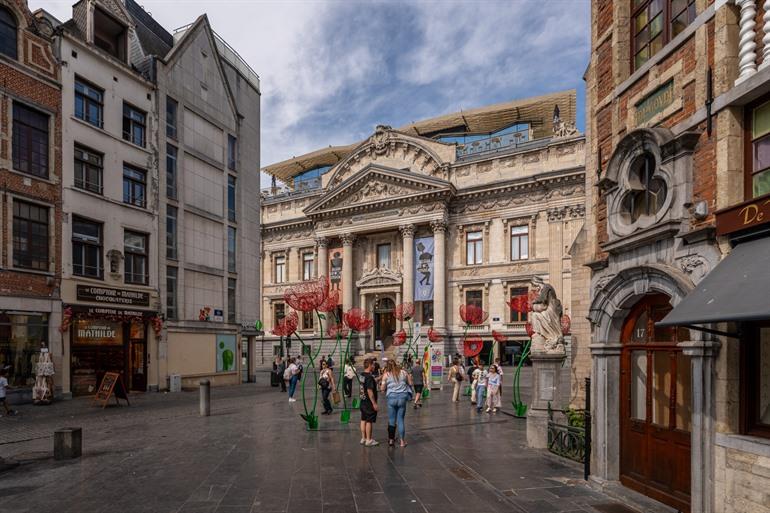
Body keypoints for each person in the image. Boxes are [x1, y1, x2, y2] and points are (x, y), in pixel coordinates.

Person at [380, 359, 413, 447]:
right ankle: (402, 441)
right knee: (401, 420)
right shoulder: (404, 372)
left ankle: (391, 440)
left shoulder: (386, 375)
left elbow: (382, 389)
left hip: (391, 398)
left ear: (388, 367)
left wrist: (384, 386)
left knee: (391, 420)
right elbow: (410, 383)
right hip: (402, 397)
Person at [359, 357, 379, 447]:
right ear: (370, 365)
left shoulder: (362, 375)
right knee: (369, 421)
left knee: (363, 419)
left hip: (362, 400)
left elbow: (367, 383)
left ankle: (363, 438)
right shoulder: (370, 377)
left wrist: (380, 377)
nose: (374, 366)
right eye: (373, 364)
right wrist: (374, 403)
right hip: (368, 402)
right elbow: (370, 391)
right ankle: (369, 440)